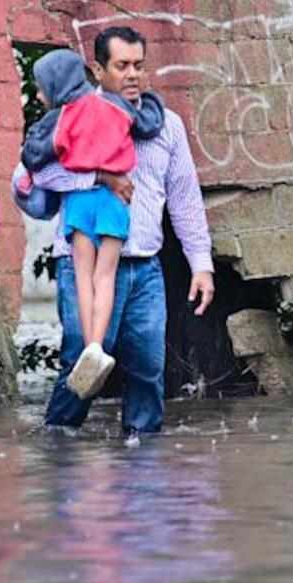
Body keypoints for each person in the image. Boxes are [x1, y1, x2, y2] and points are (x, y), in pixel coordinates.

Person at [22, 26, 215, 435]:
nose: (132, 75)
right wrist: (98, 176)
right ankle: (57, 444)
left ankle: (143, 456)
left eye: (139, 66)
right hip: (82, 264)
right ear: (98, 69)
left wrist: (201, 264)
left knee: (148, 365)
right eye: (121, 66)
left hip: (145, 265)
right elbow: (30, 176)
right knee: (83, 355)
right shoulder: (74, 115)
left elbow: (184, 197)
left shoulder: (166, 125)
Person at [15, 48, 165, 399]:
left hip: (80, 202)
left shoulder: (61, 115)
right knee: (106, 275)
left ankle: (89, 346)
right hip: (116, 201)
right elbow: (149, 124)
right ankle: (97, 346)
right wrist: (154, 99)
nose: (39, 95)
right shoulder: (117, 106)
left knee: (83, 275)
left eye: (41, 88)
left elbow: (32, 157)